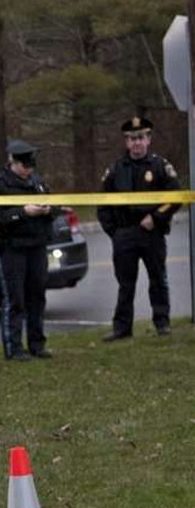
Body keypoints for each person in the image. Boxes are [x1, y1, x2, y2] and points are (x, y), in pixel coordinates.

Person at [97, 116, 180, 340]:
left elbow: (176, 197)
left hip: (151, 232)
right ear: (126, 142)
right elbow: (102, 203)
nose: (137, 143)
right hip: (125, 234)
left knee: (158, 279)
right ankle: (122, 329)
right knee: (126, 284)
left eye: (141, 138)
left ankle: (162, 323)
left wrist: (156, 218)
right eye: (132, 139)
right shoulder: (115, 169)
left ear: (148, 139)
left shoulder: (160, 166)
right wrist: (114, 232)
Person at [0, 139, 54, 361]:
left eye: (31, 166)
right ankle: (14, 348)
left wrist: (48, 210)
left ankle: (37, 344)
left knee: (37, 296)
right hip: (13, 249)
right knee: (15, 300)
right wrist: (23, 212)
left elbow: (53, 206)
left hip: (37, 246)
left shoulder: (38, 182)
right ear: (13, 162)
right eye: (24, 166)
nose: (28, 170)